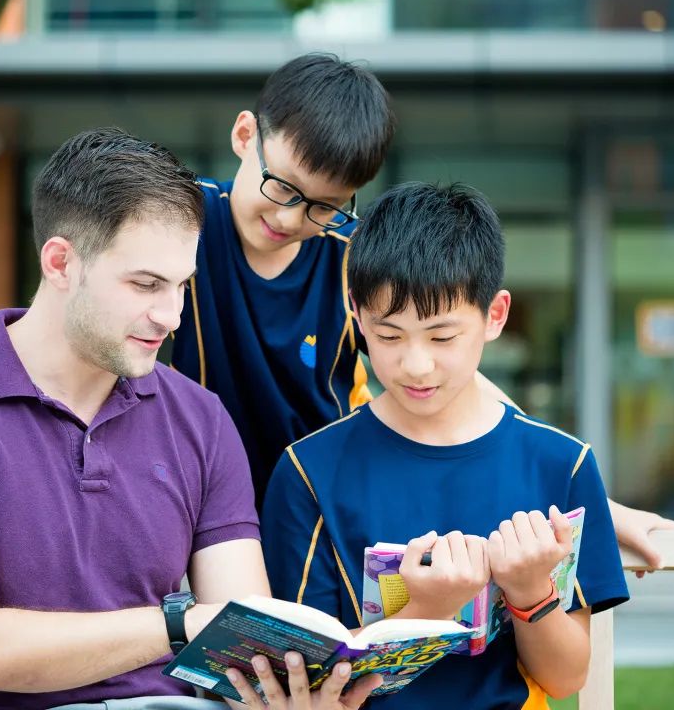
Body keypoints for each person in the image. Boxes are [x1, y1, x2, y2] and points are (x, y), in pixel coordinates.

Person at [0, 128, 379, 710]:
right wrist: (178, 623)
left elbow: (243, 643)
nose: (172, 316)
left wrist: (291, 690)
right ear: (61, 262)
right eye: (146, 285)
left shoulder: (202, 418)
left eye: (183, 286)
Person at [167, 52, 674, 570]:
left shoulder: (353, 258)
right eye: (280, 186)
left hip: (321, 507)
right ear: (243, 136)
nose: (288, 216)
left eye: (323, 206)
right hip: (206, 507)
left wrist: (602, 507)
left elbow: (458, 377)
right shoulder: (178, 227)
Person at [261, 182, 630, 709]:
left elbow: (567, 677)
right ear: (356, 314)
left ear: (495, 316)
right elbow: (310, 688)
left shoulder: (559, 465)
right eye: (389, 336)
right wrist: (428, 609)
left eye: (441, 337)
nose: (415, 365)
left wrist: (530, 592)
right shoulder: (309, 472)